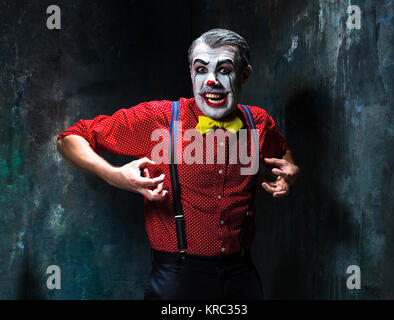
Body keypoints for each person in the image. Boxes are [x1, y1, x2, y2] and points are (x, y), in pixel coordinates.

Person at [57, 28, 300, 300]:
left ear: (244, 75)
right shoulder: (158, 119)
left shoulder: (259, 123)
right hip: (177, 278)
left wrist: (289, 172)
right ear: (191, 74)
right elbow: (69, 139)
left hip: (241, 275)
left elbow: (283, 155)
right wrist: (114, 175)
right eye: (201, 70)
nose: (211, 81)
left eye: (224, 70)